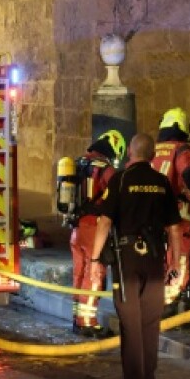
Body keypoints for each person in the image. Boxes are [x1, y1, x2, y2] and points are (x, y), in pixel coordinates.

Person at [91, 133, 184, 379]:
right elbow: (174, 228)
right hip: (154, 258)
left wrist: (95, 260)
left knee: (130, 322)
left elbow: (105, 222)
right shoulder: (162, 182)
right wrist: (175, 263)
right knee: (150, 323)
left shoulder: (120, 180)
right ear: (152, 155)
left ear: (130, 153)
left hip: (126, 259)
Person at [69, 129, 125, 336]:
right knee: (95, 273)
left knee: (80, 272)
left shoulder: (79, 162)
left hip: (76, 227)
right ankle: (87, 322)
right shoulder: (106, 169)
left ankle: (77, 318)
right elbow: (117, 198)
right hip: (93, 227)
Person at [151, 107, 190, 306]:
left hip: (153, 212)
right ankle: (170, 299)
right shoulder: (182, 150)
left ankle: (156, 296)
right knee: (179, 254)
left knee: (159, 254)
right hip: (178, 213)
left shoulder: (152, 149)